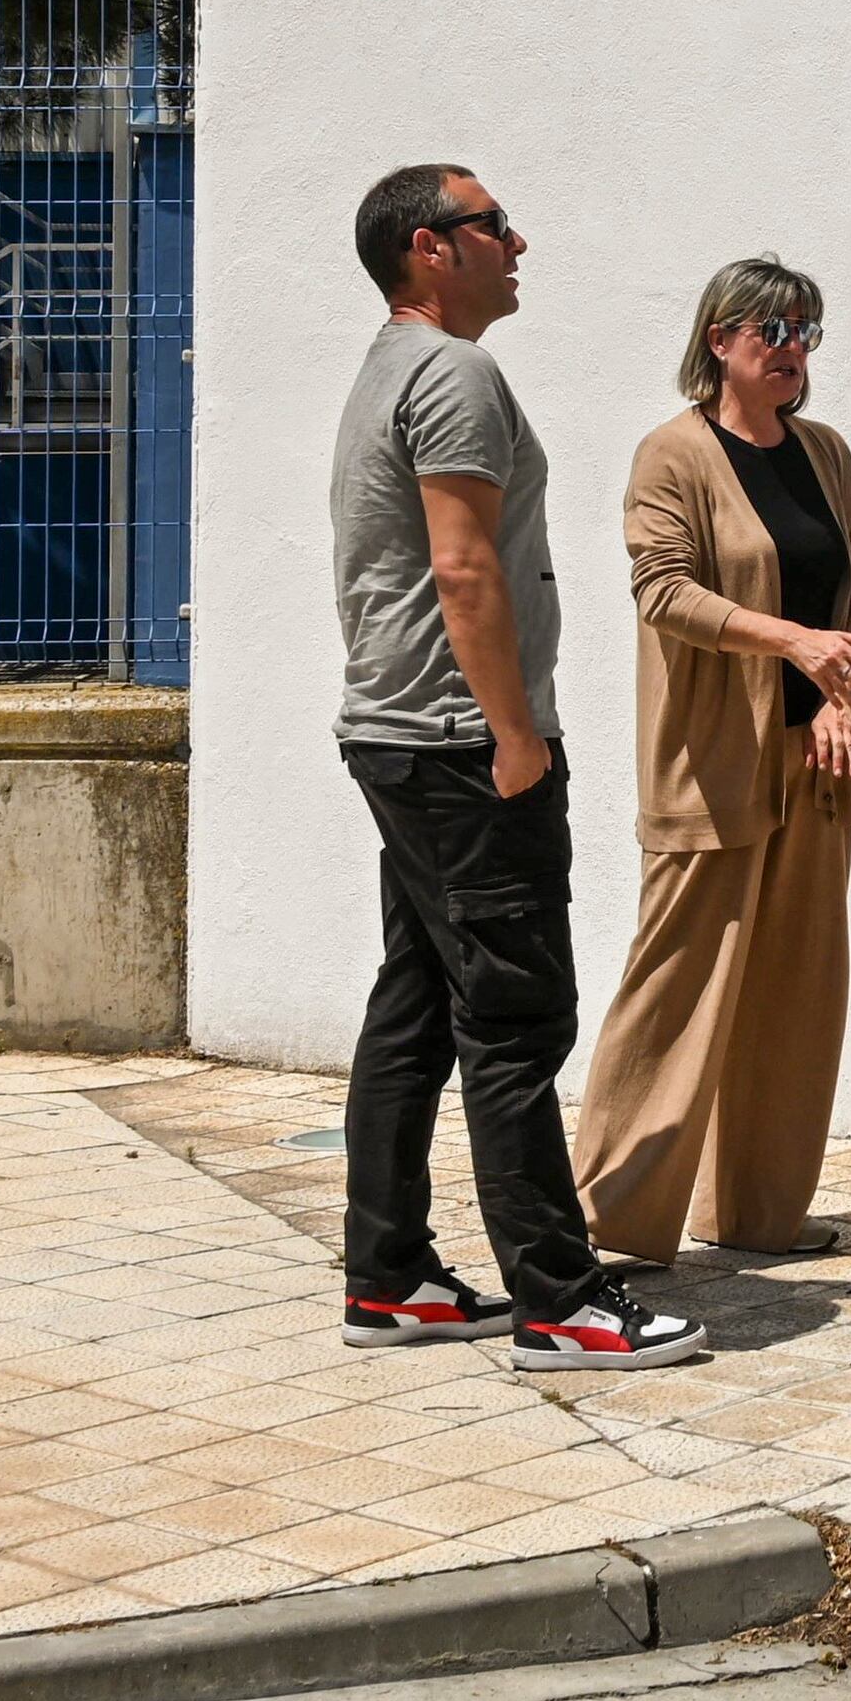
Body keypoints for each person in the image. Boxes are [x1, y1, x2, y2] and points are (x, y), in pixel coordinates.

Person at [327, 165, 702, 1372]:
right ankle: (561, 1301)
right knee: (514, 1016)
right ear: (432, 249)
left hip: (401, 734)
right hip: (457, 743)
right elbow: (464, 567)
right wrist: (518, 737)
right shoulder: (452, 370)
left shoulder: (392, 364)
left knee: (418, 1005)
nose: (519, 239)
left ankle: (390, 1280)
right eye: (495, 225)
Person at [575, 256, 851, 1269]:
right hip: (711, 760)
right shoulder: (672, 454)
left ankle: (758, 1211)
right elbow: (664, 591)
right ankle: (609, 1220)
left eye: (805, 331)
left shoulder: (825, 453)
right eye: (774, 331)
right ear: (720, 340)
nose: (792, 350)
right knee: (677, 983)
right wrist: (793, 645)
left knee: (795, 988)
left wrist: (831, 697)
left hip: (818, 757)